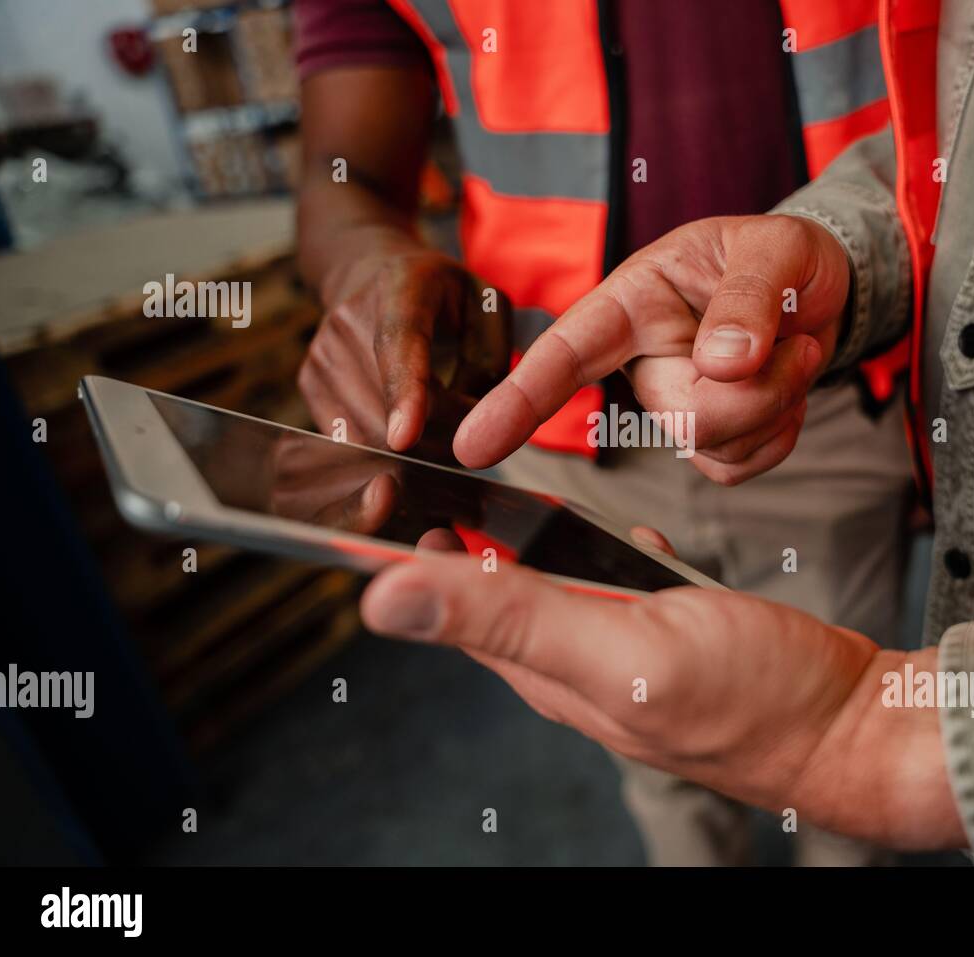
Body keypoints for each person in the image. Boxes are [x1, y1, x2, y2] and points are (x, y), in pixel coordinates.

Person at [360, 0, 974, 864]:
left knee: (837, 803)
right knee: (659, 752)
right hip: (578, 420)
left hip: (837, 419)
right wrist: (839, 244)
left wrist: (878, 741)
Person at [294, 0, 913, 865]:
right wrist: (367, 268)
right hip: (559, 432)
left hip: (827, 393)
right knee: (653, 751)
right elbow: (341, 176)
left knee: (853, 760)